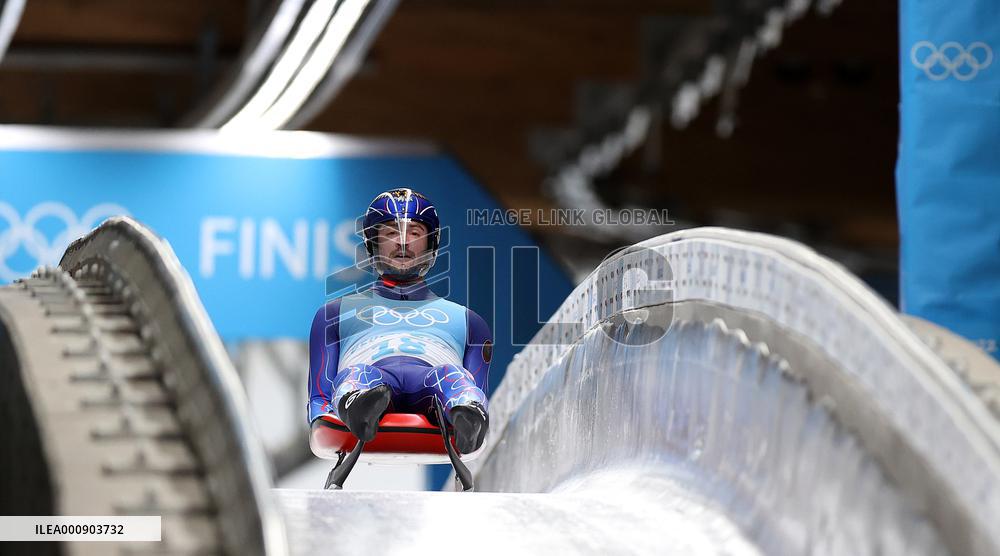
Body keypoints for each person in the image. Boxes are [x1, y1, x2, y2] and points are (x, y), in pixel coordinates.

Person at [306, 188, 492, 454]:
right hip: (370, 376)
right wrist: (324, 424)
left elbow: (478, 381)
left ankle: (465, 413)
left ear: (431, 244)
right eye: (391, 232)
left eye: (415, 232)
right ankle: (358, 405)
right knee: (358, 376)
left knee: (452, 377)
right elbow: (320, 397)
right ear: (373, 243)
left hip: (434, 379)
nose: (403, 242)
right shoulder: (333, 313)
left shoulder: (469, 322)